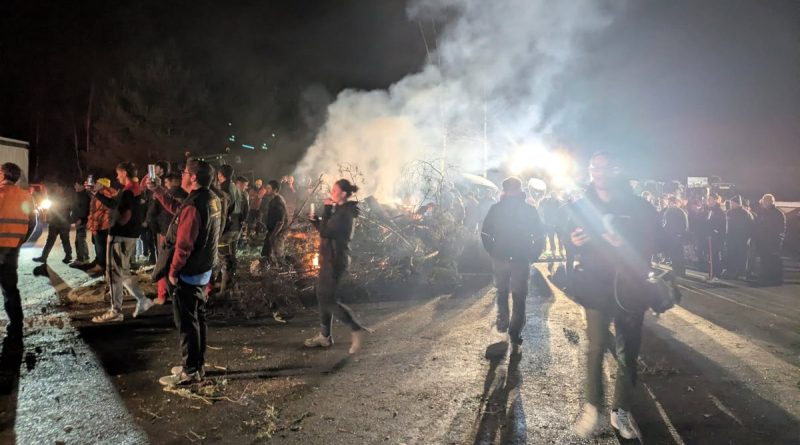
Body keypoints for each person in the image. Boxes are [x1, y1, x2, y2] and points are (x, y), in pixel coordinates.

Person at [569, 152, 659, 441]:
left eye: (605, 168)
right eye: (594, 167)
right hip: (596, 286)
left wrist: (626, 242)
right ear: (590, 171)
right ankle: (592, 406)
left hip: (630, 287)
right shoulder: (581, 204)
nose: (599, 173)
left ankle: (621, 411)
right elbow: (566, 231)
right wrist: (573, 240)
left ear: (616, 171)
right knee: (595, 348)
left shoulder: (638, 205)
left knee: (627, 354)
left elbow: (658, 240)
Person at [150, 159, 221, 386]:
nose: (181, 175)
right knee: (198, 318)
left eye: (184, 172)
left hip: (188, 272)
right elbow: (178, 210)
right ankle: (197, 365)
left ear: (192, 177)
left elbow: (184, 245)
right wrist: (158, 191)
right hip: (204, 268)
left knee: (186, 322)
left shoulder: (194, 205)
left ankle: (189, 371)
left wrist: (173, 271)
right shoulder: (211, 199)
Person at [304, 179, 369, 354]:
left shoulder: (345, 213)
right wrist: (316, 221)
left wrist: (325, 210)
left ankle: (355, 328)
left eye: (334, 189)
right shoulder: (340, 211)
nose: (331, 192)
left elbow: (327, 231)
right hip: (329, 259)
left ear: (342, 193)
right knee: (322, 295)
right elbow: (328, 231)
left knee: (329, 300)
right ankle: (325, 336)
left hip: (335, 261)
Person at [480, 177, 545, 346]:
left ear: (505, 190)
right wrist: (532, 255)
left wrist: (492, 251)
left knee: (503, 292)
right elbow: (540, 235)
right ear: (520, 189)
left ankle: (505, 324)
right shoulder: (529, 210)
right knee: (518, 296)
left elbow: (485, 233)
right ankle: (514, 331)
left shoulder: (496, 209)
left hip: (504, 258)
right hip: (520, 259)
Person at [91, 162, 154, 323]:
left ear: (124, 173)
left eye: (118, 173)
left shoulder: (128, 191)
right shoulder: (136, 189)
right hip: (131, 236)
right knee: (123, 272)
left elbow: (124, 214)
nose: (117, 176)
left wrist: (115, 225)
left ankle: (115, 310)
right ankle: (142, 299)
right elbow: (116, 204)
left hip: (120, 237)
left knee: (113, 273)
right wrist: (97, 194)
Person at [0, 163, 37, 339]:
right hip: (12, 248)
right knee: (10, 288)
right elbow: (32, 223)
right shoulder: (25, 196)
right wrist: (20, 240)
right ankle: (16, 324)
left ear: (3, 174)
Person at [150, 172, 188, 304]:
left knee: (163, 264)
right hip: (182, 233)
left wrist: (154, 228)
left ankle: (163, 295)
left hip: (165, 233)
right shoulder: (188, 196)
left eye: (167, 183)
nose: (166, 185)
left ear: (174, 181)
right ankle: (178, 294)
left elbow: (152, 213)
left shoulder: (163, 196)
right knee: (179, 263)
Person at [215, 165, 243, 294]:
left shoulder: (223, 188)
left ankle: (224, 291)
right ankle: (234, 286)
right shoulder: (236, 188)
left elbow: (224, 209)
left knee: (224, 258)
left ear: (221, 175)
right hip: (236, 227)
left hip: (227, 227)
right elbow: (244, 206)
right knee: (232, 257)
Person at [33, 183, 73, 264]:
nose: (58, 189)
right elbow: (50, 210)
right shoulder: (54, 198)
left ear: (63, 188)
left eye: (59, 187)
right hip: (54, 223)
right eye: (57, 188)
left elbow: (71, 209)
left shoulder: (67, 198)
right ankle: (43, 257)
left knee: (65, 240)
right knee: (50, 241)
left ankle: (68, 256)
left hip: (63, 224)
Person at [83, 178, 115, 274]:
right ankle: (99, 262)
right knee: (98, 245)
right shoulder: (100, 193)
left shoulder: (105, 193)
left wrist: (95, 224)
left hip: (102, 225)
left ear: (102, 185)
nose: (95, 184)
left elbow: (100, 211)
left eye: (97, 183)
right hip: (100, 224)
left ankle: (101, 266)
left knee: (101, 247)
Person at [753, 194, 785, 286]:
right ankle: (766, 278)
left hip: (772, 242)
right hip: (763, 242)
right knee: (765, 261)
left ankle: (773, 279)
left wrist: (777, 241)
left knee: (772, 260)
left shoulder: (777, 214)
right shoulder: (763, 213)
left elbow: (779, 229)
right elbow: (757, 227)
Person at [723, 196, 753, 279]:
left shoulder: (745, 214)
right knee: (731, 255)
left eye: (733, 203)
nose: (732, 205)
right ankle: (731, 271)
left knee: (740, 256)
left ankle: (741, 272)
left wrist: (746, 238)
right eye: (731, 203)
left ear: (737, 203)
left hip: (741, 239)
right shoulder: (729, 213)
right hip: (731, 239)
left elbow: (749, 227)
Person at [260, 180, 288, 266]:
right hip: (272, 230)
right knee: (266, 252)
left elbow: (281, 221)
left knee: (277, 252)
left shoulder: (278, 202)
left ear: (275, 190)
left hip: (278, 232)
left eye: (269, 188)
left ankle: (282, 269)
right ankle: (269, 267)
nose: (267, 189)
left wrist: (274, 235)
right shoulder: (273, 200)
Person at [662, 195, 688, 277]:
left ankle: (678, 271)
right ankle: (680, 271)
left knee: (676, 254)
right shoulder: (679, 211)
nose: (669, 204)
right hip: (676, 236)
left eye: (670, 203)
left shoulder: (672, 211)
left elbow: (666, 224)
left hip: (674, 236)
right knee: (677, 254)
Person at [705, 193, 726, 283]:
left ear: (715, 200)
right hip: (710, 236)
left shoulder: (718, 211)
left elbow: (720, 224)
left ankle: (716, 275)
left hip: (716, 237)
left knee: (715, 256)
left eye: (710, 199)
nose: (708, 201)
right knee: (711, 256)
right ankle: (711, 274)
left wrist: (714, 231)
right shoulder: (710, 210)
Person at [70, 181, 91, 266]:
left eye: (76, 184)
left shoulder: (84, 196)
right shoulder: (79, 194)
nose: (75, 186)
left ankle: (82, 259)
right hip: (79, 220)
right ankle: (82, 258)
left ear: (82, 185)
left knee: (80, 239)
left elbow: (85, 209)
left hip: (82, 221)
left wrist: (81, 219)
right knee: (79, 240)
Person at [538, 192, 564, 258]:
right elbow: (542, 211)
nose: (554, 198)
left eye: (555, 196)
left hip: (558, 224)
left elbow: (563, 213)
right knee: (551, 238)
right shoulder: (546, 203)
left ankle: (561, 252)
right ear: (551, 197)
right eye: (553, 196)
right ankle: (553, 252)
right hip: (549, 224)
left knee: (560, 238)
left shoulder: (560, 203)